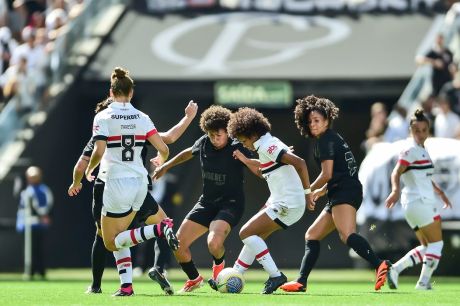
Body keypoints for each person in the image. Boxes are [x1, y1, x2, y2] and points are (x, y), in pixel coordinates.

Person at [68, 98, 198, 295]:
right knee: (161, 223)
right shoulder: (137, 127)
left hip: (109, 187)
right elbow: (169, 139)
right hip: (138, 186)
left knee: (108, 239)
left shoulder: (100, 136)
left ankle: (97, 285)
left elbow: (81, 165)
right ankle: (156, 270)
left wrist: (76, 182)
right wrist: (188, 117)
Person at [83, 67, 179, 296]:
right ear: (131, 93)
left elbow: (98, 150)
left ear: (111, 91)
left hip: (115, 182)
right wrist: (161, 159)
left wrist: (89, 168)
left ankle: (159, 228)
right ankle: (126, 286)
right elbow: (164, 147)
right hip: (139, 182)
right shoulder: (142, 117)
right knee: (122, 235)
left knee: (111, 242)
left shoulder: (103, 116)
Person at [280, 95, 390, 293]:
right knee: (312, 235)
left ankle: (379, 264)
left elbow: (327, 174)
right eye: (310, 121)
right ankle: (301, 281)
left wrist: (307, 191)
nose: (313, 124)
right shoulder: (331, 137)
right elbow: (336, 174)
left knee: (347, 235)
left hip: (345, 191)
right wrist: (320, 192)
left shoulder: (325, 141)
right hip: (342, 190)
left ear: (327, 120)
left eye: (317, 121)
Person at [152, 105, 258, 293]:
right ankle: (194, 279)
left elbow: (259, 161)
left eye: (219, 135)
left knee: (214, 243)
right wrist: (166, 166)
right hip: (207, 202)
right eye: (211, 135)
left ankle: (218, 269)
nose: (215, 140)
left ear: (228, 132)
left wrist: (277, 157)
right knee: (178, 244)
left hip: (230, 204)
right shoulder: (204, 143)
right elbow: (187, 153)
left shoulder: (237, 146)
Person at [216, 107, 314, 294]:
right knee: (255, 238)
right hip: (281, 200)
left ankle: (276, 275)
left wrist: (308, 193)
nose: (243, 144)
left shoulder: (267, 145)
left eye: (244, 140)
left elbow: (300, 163)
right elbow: (263, 170)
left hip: (288, 203)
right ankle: (235, 274)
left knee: (245, 233)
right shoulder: (265, 144)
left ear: (252, 135)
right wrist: (245, 159)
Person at [385, 109, 452, 290]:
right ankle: (423, 283)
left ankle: (395, 270)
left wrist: (440, 192)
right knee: (437, 244)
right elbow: (396, 172)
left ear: (428, 130)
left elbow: (424, 177)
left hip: (414, 204)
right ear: (411, 131)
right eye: (417, 131)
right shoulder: (410, 150)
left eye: (424, 130)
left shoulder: (422, 149)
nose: (421, 134)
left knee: (427, 246)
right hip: (420, 202)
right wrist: (395, 190)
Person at [16, 166, 53, 280]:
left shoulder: (44, 190)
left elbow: (47, 205)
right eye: (31, 177)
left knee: (38, 249)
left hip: (38, 225)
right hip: (25, 225)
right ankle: (29, 271)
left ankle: (41, 271)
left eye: (35, 176)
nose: (33, 179)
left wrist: (41, 215)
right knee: (28, 250)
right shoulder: (25, 190)